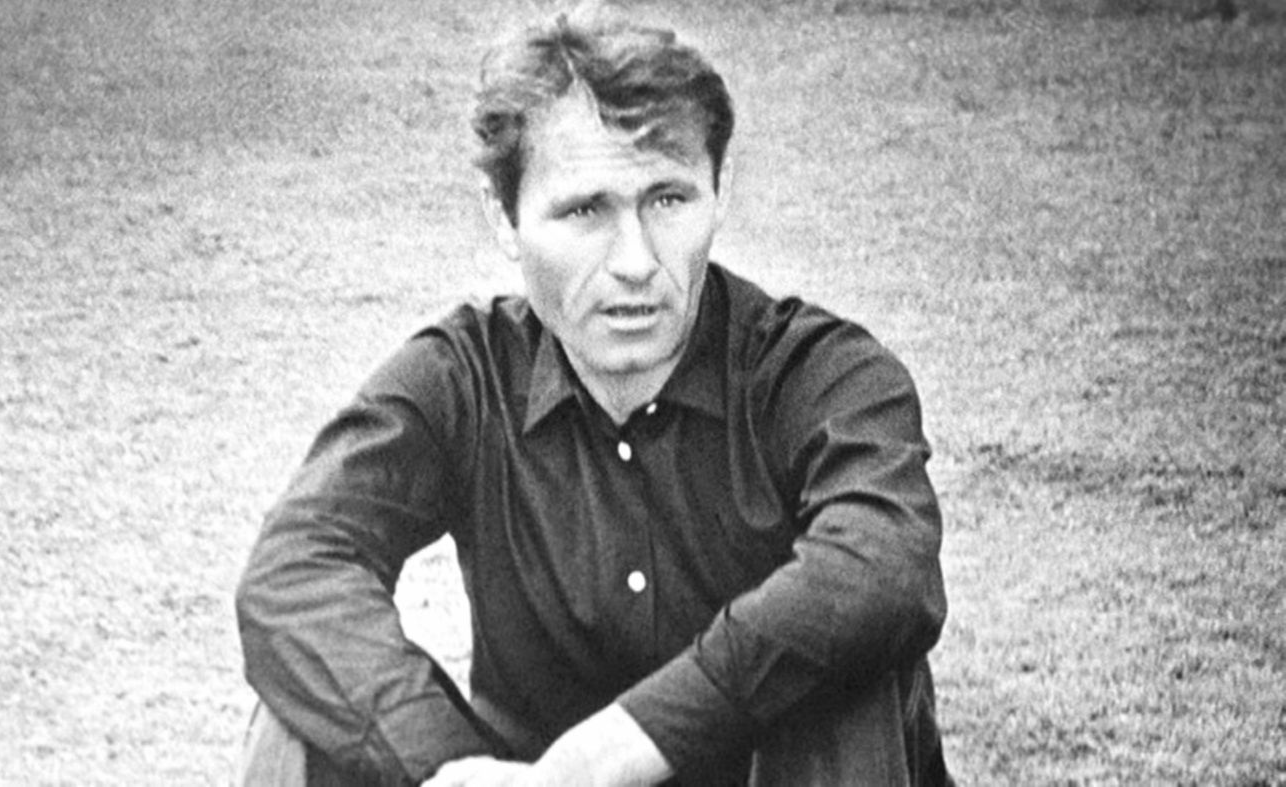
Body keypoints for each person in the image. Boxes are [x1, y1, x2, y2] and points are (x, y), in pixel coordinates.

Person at [235, 6, 953, 786]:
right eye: (585, 210)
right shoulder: (463, 375)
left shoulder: (820, 374)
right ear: (504, 219)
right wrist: (453, 769)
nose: (635, 261)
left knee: (842, 673)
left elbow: (882, 570)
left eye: (668, 199)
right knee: (306, 710)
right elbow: (297, 568)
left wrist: (612, 750)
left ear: (721, 189)